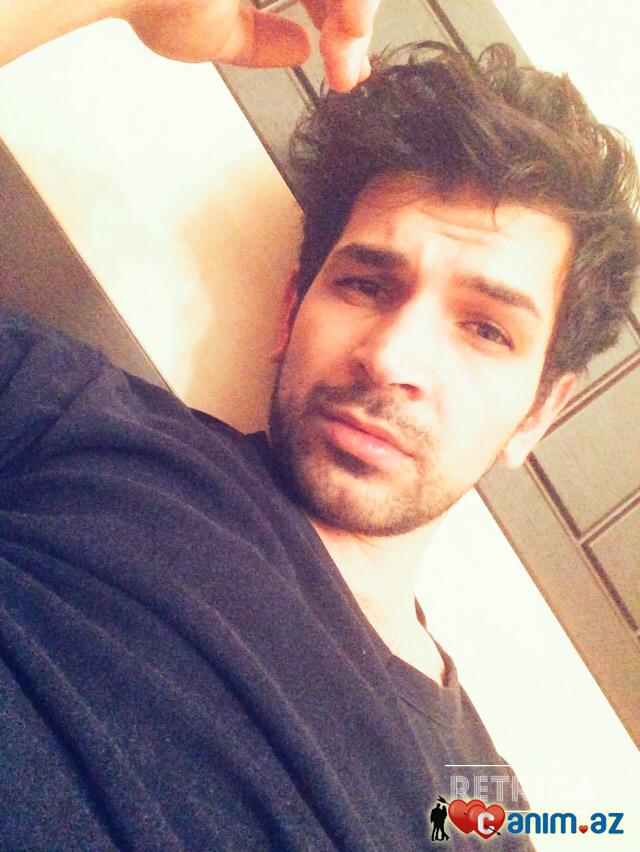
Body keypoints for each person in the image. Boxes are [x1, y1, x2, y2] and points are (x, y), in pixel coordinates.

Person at [1, 1, 639, 849]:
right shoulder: (72, 416)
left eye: (487, 329)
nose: (392, 358)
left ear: (538, 413)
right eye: (366, 285)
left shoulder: (479, 813)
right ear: (291, 311)